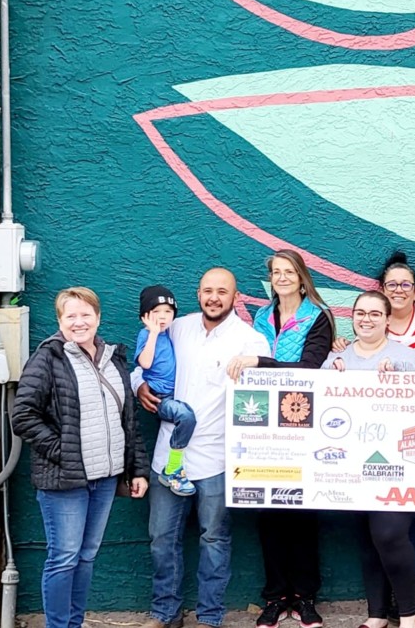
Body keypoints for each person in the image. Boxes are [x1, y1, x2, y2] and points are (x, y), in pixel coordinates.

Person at [133, 268, 271, 628]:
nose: (214, 297)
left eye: (222, 292)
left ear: (235, 297)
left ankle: (210, 617)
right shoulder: (177, 327)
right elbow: (143, 361)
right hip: (168, 457)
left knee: (215, 539)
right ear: (198, 294)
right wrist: (138, 386)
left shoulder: (251, 341)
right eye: (208, 290)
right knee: (161, 539)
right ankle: (166, 614)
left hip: (217, 459)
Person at [12, 287, 150, 628]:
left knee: (86, 557)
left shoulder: (113, 358)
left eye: (86, 314)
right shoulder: (47, 358)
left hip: (105, 478)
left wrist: (138, 469)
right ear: (60, 320)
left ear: (98, 318)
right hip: (64, 480)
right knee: (64, 558)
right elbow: (23, 416)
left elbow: (128, 421)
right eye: (70, 315)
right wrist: (63, 451)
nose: (79, 322)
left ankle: (73, 623)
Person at [225, 249, 335, 628]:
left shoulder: (318, 317)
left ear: (302, 278)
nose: (282, 277)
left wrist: (261, 363)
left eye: (289, 272)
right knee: (268, 513)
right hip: (262, 427)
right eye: (276, 272)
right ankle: (275, 597)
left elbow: (309, 368)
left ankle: (304, 597)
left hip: (303, 422)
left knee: (302, 513)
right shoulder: (260, 317)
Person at [333, 251, 415, 625]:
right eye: (360, 314)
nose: (366, 319)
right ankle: (377, 615)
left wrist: (401, 381)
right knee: (368, 540)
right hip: (350, 466)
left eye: (374, 314)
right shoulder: (337, 360)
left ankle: (409, 615)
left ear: (386, 319)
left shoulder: (408, 357)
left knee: (390, 534)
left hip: (400, 465)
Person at [136, 285, 197, 496]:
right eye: (156, 312)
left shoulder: (170, 333)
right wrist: (153, 334)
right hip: (159, 397)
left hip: (173, 394)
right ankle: (172, 468)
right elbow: (145, 363)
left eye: (168, 311)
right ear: (145, 316)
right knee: (186, 416)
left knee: (187, 414)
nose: (162, 316)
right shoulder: (146, 335)